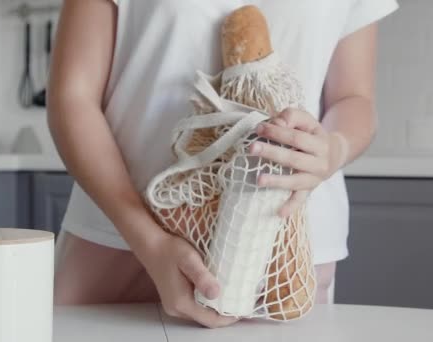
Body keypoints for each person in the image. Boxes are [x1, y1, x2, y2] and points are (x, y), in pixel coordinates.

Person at [48, 0, 398, 328]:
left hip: (286, 247)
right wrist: (148, 241)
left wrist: (332, 149)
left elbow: (355, 98)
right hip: (120, 239)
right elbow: (73, 98)